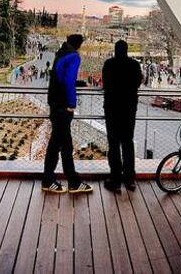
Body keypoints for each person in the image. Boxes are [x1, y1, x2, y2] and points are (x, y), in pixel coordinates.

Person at [42, 34, 93, 194]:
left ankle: (65, 180)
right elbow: (68, 81)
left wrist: (81, 83)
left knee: (60, 144)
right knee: (61, 145)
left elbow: (62, 78)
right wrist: (71, 104)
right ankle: (63, 181)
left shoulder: (61, 54)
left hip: (55, 103)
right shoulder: (73, 56)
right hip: (63, 107)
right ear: (79, 45)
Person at [103, 40, 143, 193]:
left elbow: (105, 83)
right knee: (127, 143)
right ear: (127, 50)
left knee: (113, 145)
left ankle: (115, 180)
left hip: (112, 108)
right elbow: (138, 81)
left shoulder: (109, 64)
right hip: (129, 109)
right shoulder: (134, 65)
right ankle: (130, 179)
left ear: (115, 50)